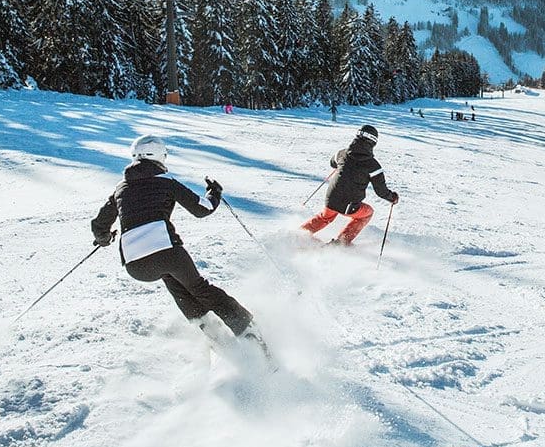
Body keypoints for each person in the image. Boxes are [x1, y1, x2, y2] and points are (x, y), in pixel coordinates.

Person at [91, 135, 268, 355]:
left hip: (135, 264)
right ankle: (250, 333)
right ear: (159, 157)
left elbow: (99, 225)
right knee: (201, 289)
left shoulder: (121, 188)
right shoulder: (165, 181)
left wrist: (105, 238)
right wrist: (214, 193)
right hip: (166, 251)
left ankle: (212, 332)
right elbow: (202, 208)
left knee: (173, 281)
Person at [301, 125, 399, 246]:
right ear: (373, 143)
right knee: (367, 213)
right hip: (349, 205)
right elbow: (381, 191)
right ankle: (342, 241)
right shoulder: (373, 166)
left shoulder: (342, 153)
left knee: (325, 217)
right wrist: (392, 197)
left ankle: (299, 234)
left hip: (331, 198)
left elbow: (332, 163)